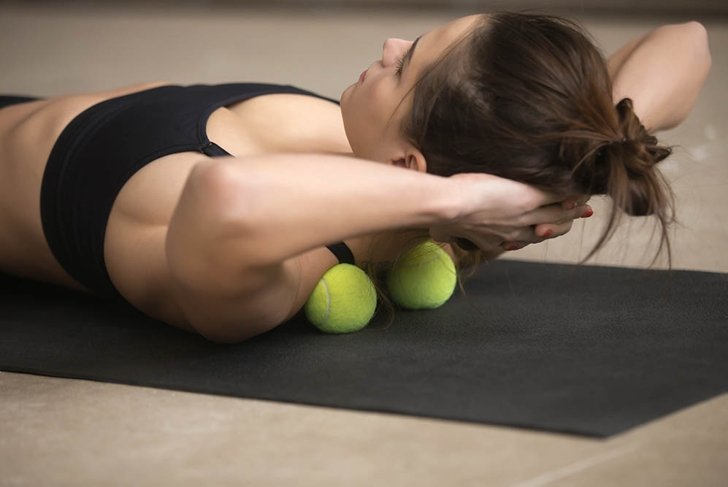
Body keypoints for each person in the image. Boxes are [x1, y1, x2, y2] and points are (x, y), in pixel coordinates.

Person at [0, 13, 711, 343]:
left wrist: (464, 199)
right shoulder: (381, 148)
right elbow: (687, 38)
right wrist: (589, 144)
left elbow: (225, 196)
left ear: (411, 169)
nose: (389, 45)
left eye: (406, 66)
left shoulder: (291, 269)